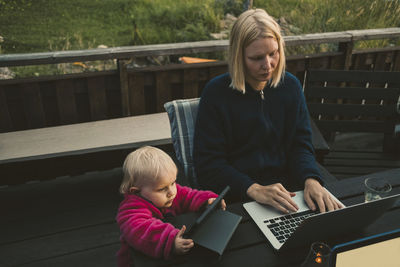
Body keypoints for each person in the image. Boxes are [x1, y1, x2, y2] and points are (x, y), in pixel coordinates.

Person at [193, 9, 342, 214]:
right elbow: (208, 166)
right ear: (238, 56)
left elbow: (301, 145)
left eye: (273, 53)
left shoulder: (290, 86)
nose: (268, 65)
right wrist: (253, 189)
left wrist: (311, 179)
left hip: (290, 192)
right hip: (238, 198)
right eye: (257, 58)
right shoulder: (216, 94)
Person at [116, 146, 226, 266]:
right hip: (137, 262)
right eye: (162, 189)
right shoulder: (130, 209)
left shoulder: (169, 193)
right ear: (136, 191)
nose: (171, 192)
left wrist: (207, 201)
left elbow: (188, 196)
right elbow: (141, 230)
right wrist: (170, 240)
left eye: (173, 183)